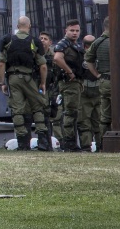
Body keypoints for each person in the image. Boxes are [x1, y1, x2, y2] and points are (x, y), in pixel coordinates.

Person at [0, 15, 49, 151]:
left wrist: (2, 82)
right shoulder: (35, 42)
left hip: (13, 79)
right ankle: (43, 141)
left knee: (17, 109)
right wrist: (42, 83)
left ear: (17, 26)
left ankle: (22, 143)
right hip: (29, 78)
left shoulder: (7, 41)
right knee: (37, 106)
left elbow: (1, 64)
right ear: (29, 26)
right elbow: (43, 66)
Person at [53, 19, 92, 152]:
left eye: (77, 30)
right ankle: (69, 143)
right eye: (72, 30)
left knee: (74, 112)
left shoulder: (74, 45)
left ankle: (72, 143)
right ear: (66, 31)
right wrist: (69, 72)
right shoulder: (63, 44)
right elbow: (57, 58)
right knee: (70, 113)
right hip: (69, 83)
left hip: (76, 82)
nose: (75, 33)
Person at [85, 26, 112, 140]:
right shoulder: (119, 40)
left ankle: (103, 143)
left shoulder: (98, 42)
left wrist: (97, 75)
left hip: (104, 80)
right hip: (118, 81)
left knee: (105, 116)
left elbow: (88, 59)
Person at [80, 34, 103, 148]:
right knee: (84, 123)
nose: (89, 48)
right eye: (87, 45)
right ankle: (86, 146)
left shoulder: (101, 56)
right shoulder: (79, 55)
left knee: (99, 122)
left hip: (99, 93)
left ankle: (101, 146)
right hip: (84, 93)